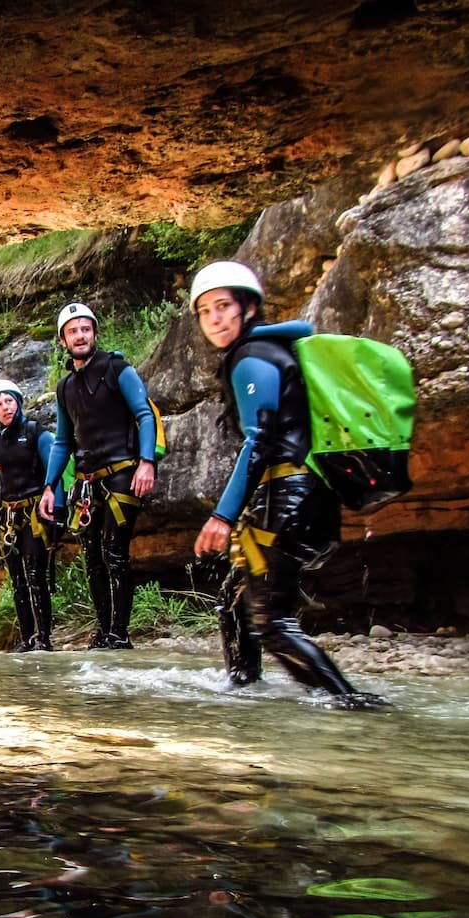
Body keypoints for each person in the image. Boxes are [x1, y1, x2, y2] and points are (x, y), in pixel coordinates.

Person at [189, 261, 387, 708]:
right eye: (205, 311)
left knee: (273, 624)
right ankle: (243, 690)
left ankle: (352, 706)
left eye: (223, 306)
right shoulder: (277, 352)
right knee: (236, 602)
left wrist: (222, 515)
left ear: (249, 307)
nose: (215, 319)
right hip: (303, 496)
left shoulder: (250, 358)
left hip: (288, 499)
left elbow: (259, 442)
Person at [37, 301, 159, 649]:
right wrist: (49, 486)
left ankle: (119, 634)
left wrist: (146, 462)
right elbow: (62, 442)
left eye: (85, 329)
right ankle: (104, 631)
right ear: (63, 340)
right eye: (73, 331)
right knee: (92, 559)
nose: (80, 335)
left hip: (123, 475)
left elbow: (144, 415)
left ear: (95, 333)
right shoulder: (64, 388)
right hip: (87, 483)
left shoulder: (118, 369)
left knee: (114, 553)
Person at [0, 379, 63, 651]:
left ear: (18, 402)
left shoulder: (37, 434)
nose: (4, 407)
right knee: (17, 581)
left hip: (35, 514)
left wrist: (58, 511)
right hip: (9, 518)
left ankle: (43, 638)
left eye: (8, 401)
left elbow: (54, 474)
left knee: (36, 576)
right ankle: (26, 638)